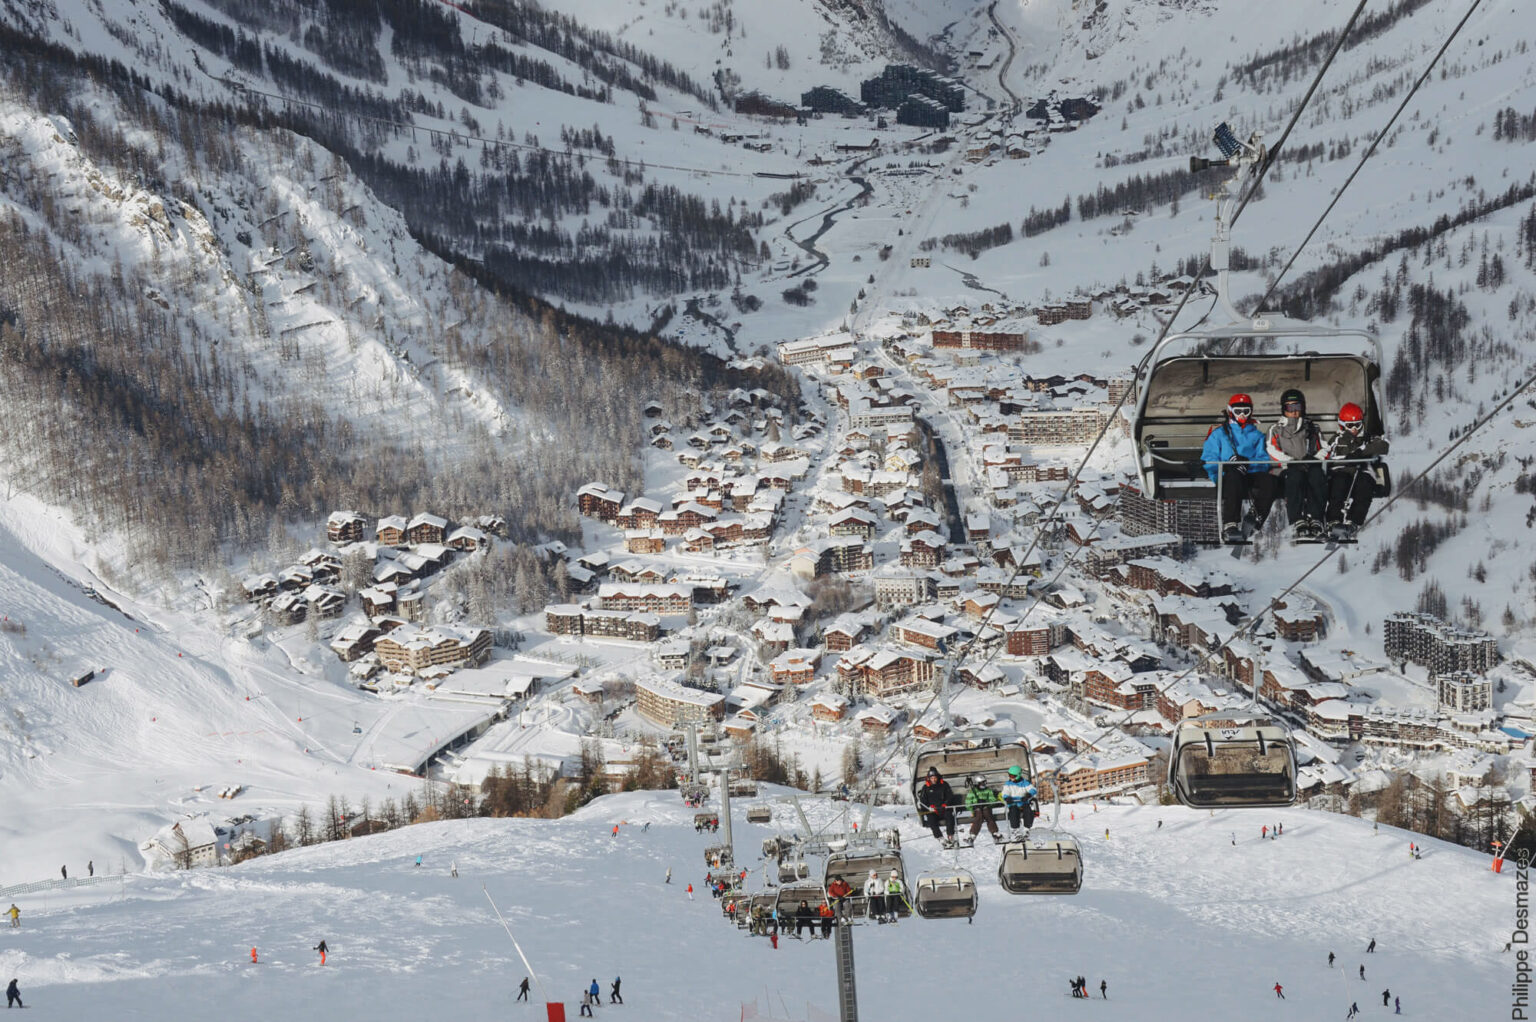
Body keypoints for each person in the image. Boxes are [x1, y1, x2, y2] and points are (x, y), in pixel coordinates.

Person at [1201, 393, 1276, 542]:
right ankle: (1230, 524)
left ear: (1251, 412)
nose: (1242, 415)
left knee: (1270, 481)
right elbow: (1208, 460)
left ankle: (1256, 515)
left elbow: (1264, 461)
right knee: (1234, 477)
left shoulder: (1257, 436)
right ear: (1230, 411)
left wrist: (1247, 463)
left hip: (1249, 473)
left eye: (1245, 411)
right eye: (1238, 411)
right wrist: (1229, 463)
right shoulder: (1219, 434)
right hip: (1227, 475)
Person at [1321, 402, 1388, 541]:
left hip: (1361, 472)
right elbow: (1326, 454)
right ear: (1342, 425)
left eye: (1357, 425)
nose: (1354, 429)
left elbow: (1383, 445)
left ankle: (1353, 521)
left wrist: (1361, 452)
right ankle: (1333, 521)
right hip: (1342, 471)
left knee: (1365, 487)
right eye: (1350, 426)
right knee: (1338, 485)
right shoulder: (1337, 440)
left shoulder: (1367, 438)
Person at [1266, 388, 1327, 539]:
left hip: (1310, 466)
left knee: (1317, 475)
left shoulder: (1312, 428)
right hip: (1287, 469)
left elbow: (1325, 448)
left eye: (1297, 407)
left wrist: (1314, 460)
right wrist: (1291, 462)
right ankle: (1298, 519)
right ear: (1283, 409)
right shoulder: (1276, 429)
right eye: (1289, 408)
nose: (1294, 412)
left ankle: (1315, 518)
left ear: (1303, 408)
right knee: (1295, 476)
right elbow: (1272, 450)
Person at [917, 767, 957, 845]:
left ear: (937, 777)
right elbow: (923, 801)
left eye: (935, 777)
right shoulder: (926, 788)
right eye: (932, 778)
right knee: (931, 820)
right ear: (929, 778)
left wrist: (946, 804)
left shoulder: (944, 785)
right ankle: (940, 837)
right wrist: (928, 807)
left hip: (943, 809)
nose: (934, 779)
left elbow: (950, 796)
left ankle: (950, 835)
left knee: (949, 816)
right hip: (933, 810)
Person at [999, 766, 1037, 837]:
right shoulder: (1008, 784)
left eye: (1013, 776)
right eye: (1009, 775)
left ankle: (1026, 829)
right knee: (1013, 812)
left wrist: (1028, 795)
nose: (1011, 777)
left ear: (1018, 775)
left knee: (1028, 811)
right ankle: (1015, 830)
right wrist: (1007, 798)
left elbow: (1033, 789)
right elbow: (1005, 792)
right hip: (1013, 803)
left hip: (1023, 802)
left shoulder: (1025, 783)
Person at [964, 775, 1003, 844]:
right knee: (979, 814)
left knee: (986, 812)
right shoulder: (972, 792)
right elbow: (968, 803)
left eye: (984, 782)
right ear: (978, 783)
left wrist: (986, 802)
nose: (984, 784)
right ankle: (972, 835)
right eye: (982, 783)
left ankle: (995, 833)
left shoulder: (988, 790)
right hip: (977, 809)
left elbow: (993, 800)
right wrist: (973, 807)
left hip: (986, 808)